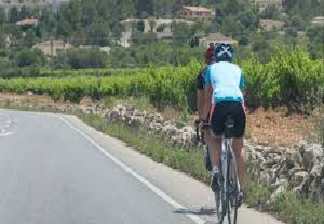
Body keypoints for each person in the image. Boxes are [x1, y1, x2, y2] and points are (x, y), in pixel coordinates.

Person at [202, 43, 246, 201]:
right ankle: (240, 189)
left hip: (219, 104)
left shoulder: (210, 69)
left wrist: (204, 119)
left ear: (216, 56)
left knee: (214, 137)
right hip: (237, 106)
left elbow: (208, 97)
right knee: (239, 145)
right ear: (231, 57)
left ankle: (215, 171)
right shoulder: (239, 69)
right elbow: (243, 95)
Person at [196, 45, 217, 171]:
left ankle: (212, 159)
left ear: (206, 59)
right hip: (231, 107)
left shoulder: (204, 73)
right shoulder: (228, 70)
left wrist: (201, 118)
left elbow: (202, 98)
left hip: (211, 108)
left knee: (209, 132)